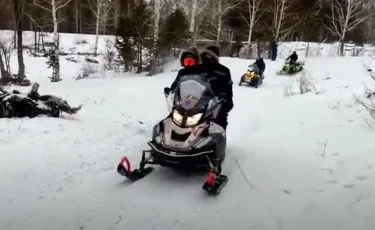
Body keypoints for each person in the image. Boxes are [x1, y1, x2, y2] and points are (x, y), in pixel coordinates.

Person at [168, 45, 233, 130]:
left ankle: (217, 139)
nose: (208, 58)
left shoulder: (223, 70)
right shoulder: (198, 69)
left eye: (210, 56)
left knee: (219, 120)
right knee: (175, 114)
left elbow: (228, 88)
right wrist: (174, 94)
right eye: (205, 56)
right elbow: (189, 83)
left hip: (215, 101)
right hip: (195, 100)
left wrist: (227, 101)